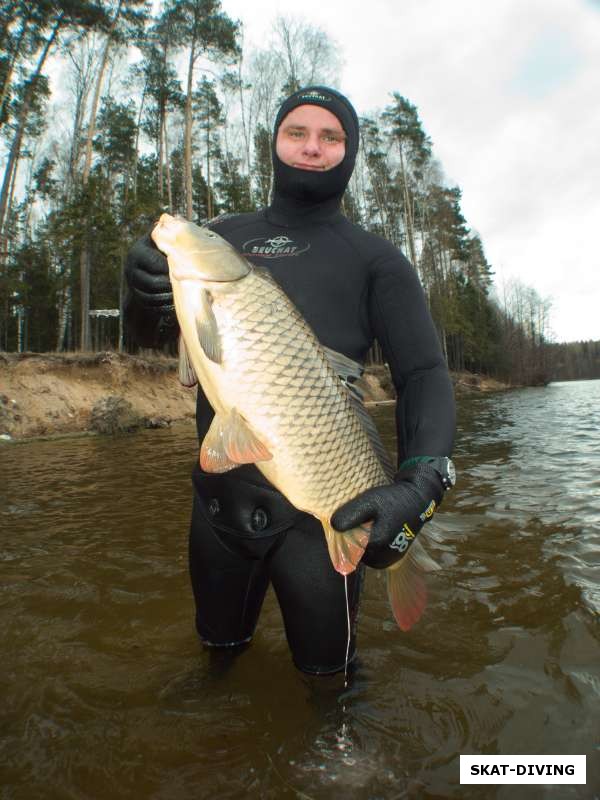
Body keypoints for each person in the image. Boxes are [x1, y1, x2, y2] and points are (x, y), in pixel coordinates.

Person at [124, 86, 456, 676]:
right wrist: (141, 291)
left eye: (331, 137)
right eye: (296, 132)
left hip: (324, 512)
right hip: (218, 508)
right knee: (215, 666)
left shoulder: (377, 259)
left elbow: (425, 374)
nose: (311, 147)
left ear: (349, 153)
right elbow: (153, 344)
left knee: (331, 693)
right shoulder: (221, 234)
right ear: (274, 142)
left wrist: (422, 481)